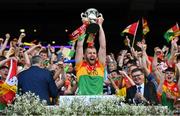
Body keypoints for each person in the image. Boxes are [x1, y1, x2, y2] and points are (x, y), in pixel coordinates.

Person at [75, 16, 106, 95]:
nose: (92, 55)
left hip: (99, 103)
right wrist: (84, 26)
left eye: (94, 53)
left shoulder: (101, 65)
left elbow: (103, 47)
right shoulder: (80, 65)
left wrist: (100, 25)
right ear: (84, 56)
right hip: (82, 102)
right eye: (89, 53)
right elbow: (79, 46)